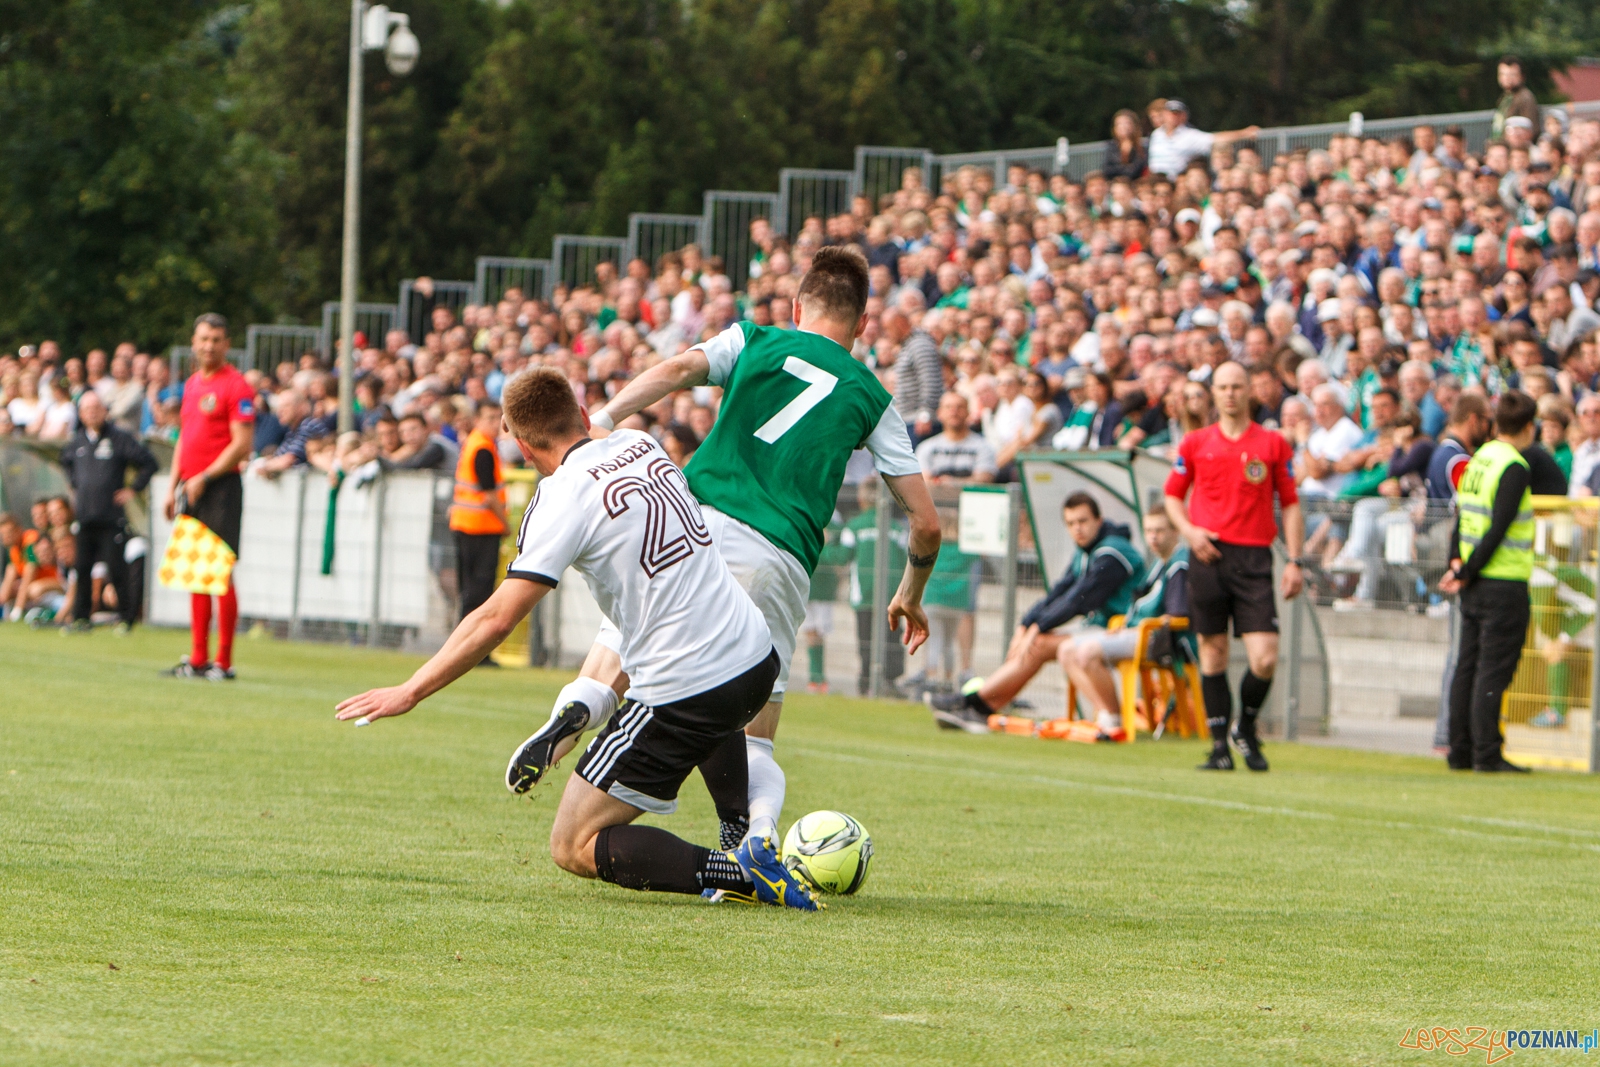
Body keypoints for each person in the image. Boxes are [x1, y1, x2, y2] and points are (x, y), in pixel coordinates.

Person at [508, 247, 941, 863]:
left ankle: (583, 704)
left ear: (798, 309)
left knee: (623, 647)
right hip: (777, 556)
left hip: (695, 529)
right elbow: (926, 525)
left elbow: (678, 369)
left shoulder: (755, 339)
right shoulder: (873, 398)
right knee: (754, 735)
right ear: (863, 324)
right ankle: (754, 837)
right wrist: (910, 593)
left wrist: (601, 418)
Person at [335, 368, 818, 910]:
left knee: (573, 844)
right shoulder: (642, 443)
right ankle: (741, 829)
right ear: (583, 415)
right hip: (755, 659)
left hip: (686, 687)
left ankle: (740, 874)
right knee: (709, 695)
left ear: (522, 446)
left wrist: (410, 690)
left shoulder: (560, 497)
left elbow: (496, 618)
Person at [1164, 361, 1305, 771]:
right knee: (1213, 651)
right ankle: (1219, 747)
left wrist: (1295, 560)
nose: (1230, 394)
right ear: (1213, 392)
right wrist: (1190, 532)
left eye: (1237, 386)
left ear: (1249, 391)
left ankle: (1245, 726)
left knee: (1265, 657)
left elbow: (1291, 504)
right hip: (1208, 554)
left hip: (1254, 556)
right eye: (1223, 387)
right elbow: (1172, 496)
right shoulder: (1195, 443)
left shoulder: (1272, 444)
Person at [927, 492, 1145, 733]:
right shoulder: (1088, 551)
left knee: (1045, 644)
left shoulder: (1113, 553)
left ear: (1099, 520)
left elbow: (1079, 599)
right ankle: (979, 706)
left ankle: (977, 705)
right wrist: (1026, 624)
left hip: (1128, 629)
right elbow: (1060, 591)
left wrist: (1037, 627)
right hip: (1105, 629)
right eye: (1071, 523)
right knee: (1037, 643)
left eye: (1083, 521)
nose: (1077, 529)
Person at [1437, 390, 1538, 773]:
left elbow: (1462, 515)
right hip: (1503, 580)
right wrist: (1468, 570)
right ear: (1529, 427)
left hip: (1474, 581)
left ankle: (1460, 750)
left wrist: (1458, 565)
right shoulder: (1514, 465)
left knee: (1467, 665)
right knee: (1492, 670)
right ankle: (1487, 753)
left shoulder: (1480, 459)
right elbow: (1499, 528)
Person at [163, 313, 255, 680]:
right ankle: (198, 658)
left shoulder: (236, 386)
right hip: (192, 486)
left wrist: (204, 476)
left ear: (227, 344)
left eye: (216, 339)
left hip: (221, 487)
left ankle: (224, 662)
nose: (209, 346)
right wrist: (172, 485)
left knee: (220, 572)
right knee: (196, 572)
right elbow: (184, 439)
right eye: (203, 338)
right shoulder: (191, 385)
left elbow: (242, 443)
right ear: (193, 342)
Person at [1056, 509, 1191, 733]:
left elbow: (1176, 616)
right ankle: (1106, 713)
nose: (1153, 537)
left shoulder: (1179, 564)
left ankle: (1114, 718)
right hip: (1137, 632)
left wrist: (1132, 628)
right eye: (1148, 531)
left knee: (1087, 652)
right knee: (1065, 650)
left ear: (1176, 531)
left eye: (1159, 530)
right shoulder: (1159, 563)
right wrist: (1123, 625)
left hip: (1159, 640)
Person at [58, 392, 157, 633]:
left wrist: (132, 489)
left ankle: (126, 618)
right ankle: (81, 618)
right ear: (81, 414)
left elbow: (149, 463)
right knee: (82, 569)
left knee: (116, 569)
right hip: (84, 517)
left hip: (111, 517)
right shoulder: (77, 442)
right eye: (87, 409)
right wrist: (75, 485)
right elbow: (65, 462)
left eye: (96, 408)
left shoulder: (119, 438)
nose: (92, 413)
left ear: (104, 411)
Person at [448, 401, 509, 654]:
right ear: (477, 420)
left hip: (465, 525)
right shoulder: (483, 447)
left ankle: (462, 648)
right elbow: (489, 494)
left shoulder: (473, 442)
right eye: (489, 418)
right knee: (479, 593)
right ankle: (473, 650)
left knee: (468, 591)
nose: (495, 423)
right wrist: (505, 524)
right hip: (482, 527)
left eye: (498, 418)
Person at [1147, 100, 1260, 180]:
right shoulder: (1156, 135)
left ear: (1184, 116)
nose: (1173, 117)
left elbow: (1216, 138)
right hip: (1154, 179)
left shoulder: (1189, 135)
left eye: (1177, 114)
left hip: (1174, 181)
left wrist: (1244, 133)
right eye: (1170, 113)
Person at [917, 391, 999, 483]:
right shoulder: (926, 448)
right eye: (948, 407)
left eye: (959, 407)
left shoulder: (983, 447)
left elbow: (984, 480)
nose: (954, 412)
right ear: (939, 413)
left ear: (968, 412)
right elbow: (923, 481)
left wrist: (952, 483)